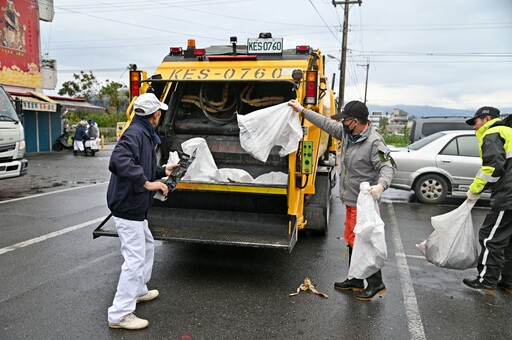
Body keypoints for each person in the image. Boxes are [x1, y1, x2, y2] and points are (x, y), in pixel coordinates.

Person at [288, 99, 395, 301]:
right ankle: (355, 279)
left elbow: (387, 166)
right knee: (352, 240)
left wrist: (381, 186)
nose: (342, 123)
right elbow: (325, 124)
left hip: (364, 204)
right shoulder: (347, 134)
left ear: (355, 121)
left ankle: (375, 283)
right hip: (350, 200)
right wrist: (302, 110)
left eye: (345, 119)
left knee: (363, 242)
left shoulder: (375, 142)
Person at [106, 93, 178, 330]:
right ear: (155, 114)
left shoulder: (143, 133)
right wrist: (147, 184)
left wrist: (163, 170)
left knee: (146, 246)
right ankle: (119, 314)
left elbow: (144, 167)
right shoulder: (136, 134)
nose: (160, 115)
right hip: (128, 208)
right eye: (159, 112)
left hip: (135, 207)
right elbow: (118, 160)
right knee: (134, 260)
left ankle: (137, 290)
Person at [463, 106, 512, 295]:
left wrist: (474, 190)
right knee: (507, 241)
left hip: (507, 195)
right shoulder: (508, 132)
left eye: (475, 122)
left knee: (490, 237)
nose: (474, 127)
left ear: (487, 118)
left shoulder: (493, 133)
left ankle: (486, 280)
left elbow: (492, 167)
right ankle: (508, 282)